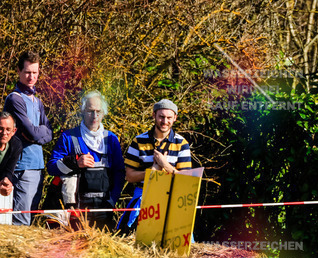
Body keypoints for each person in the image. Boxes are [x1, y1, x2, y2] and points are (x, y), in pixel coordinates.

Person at [46, 91, 124, 229]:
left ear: (104, 113)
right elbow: (51, 167)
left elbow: (119, 173)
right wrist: (75, 163)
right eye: (90, 111)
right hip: (77, 209)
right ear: (82, 111)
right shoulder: (69, 137)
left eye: (98, 111)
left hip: (103, 207)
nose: (94, 116)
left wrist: (112, 201)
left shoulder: (111, 139)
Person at [119, 99, 192, 230]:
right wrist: (151, 172)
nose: (165, 121)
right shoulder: (138, 140)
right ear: (154, 115)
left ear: (175, 118)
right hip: (143, 196)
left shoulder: (182, 143)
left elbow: (186, 180)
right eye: (161, 117)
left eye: (169, 117)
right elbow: (129, 176)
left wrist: (166, 165)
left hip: (172, 197)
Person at [3, 51, 52, 225]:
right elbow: (32, 132)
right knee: (21, 223)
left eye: (35, 72)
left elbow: (49, 133)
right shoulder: (15, 99)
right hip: (22, 167)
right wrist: (37, 133)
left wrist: (37, 133)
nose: (31, 76)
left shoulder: (37, 101)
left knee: (30, 221)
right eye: (27, 72)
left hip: (38, 166)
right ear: (19, 71)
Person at [0, 113, 23, 225]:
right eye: (0, 129)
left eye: (8, 129)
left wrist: (7, 182)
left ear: (14, 131)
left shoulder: (16, 145)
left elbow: (9, 170)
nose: (4, 133)